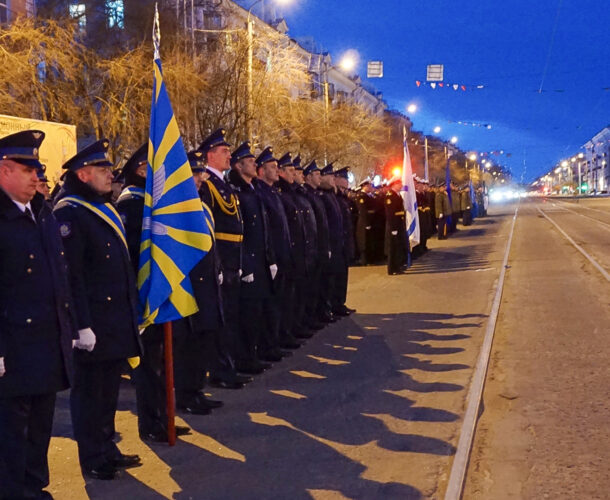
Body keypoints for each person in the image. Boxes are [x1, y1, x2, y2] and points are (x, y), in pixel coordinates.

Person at [54, 139, 142, 480]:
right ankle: (92, 455)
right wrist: (81, 325)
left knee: (108, 392)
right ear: (83, 173)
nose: (110, 176)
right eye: (103, 170)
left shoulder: (101, 208)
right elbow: (71, 276)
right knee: (90, 393)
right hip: (93, 321)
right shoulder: (70, 213)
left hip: (114, 318)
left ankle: (107, 447)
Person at [0, 130, 78, 499]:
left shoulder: (42, 213)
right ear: (4, 170)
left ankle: (34, 487)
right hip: (12, 348)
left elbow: (59, 278)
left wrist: (72, 327)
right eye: (28, 168)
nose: (37, 176)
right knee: (11, 433)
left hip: (47, 343)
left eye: (38, 168)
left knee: (40, 426)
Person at [197, 129, 251, 389]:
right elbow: (209, 228)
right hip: (221, 260)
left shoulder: (224, 185)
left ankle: (228, 365)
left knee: (231, 316)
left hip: (233, 259)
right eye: (224, 151)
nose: (229, 155)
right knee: (222, 319)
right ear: (210, 155)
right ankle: (220, 369)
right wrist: (218, 263)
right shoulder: (207, 185)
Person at [228, 143, 276, 374]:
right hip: (249, 262)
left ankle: (254, 354)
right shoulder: (237, 191)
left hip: (260, 260)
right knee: (247, 314)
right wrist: (245, 265)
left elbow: (264, 229)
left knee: (257, 311)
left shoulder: (252, 190)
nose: (255, 164)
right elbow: (240, 233)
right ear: (239, 165)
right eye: (250, 161)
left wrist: (270, 258)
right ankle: (245, 358)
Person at [255, 148, 303, 351]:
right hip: (271, 257)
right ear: (261, 171)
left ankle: (281, 337)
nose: (276, 171)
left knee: (284, 301)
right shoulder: (261, 193)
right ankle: (271, 343)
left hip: (284, 254)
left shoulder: (274, 193)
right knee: (272, 305)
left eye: (276, 167)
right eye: (272, 168)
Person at [302, 160, 333, 324]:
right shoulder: (307, 196)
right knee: (311, 287)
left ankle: (320, 313)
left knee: (319, 285)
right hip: (310, 249)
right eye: (316, 174)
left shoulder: (316, 196)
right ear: (308, 178)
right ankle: (312, 317)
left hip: (318, 247)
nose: (319, 177)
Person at [333, 166, 356, 315]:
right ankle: (335, 305)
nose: (347, 182)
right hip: (337, 244)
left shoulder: (342, 197)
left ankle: (340, 303)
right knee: (336, 277)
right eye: (344, 178)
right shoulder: (334, 197)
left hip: (344, 242)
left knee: (343, 276)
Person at [384, 177, 409, 275]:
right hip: (393, 225)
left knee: (398, 246)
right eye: (400, 184)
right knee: (392, 248)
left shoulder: (397, 195)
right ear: (394, 184)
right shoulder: (390, 196)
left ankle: (397, 267)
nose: (401, 185)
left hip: (399, 224)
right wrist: (393, 228)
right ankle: (391, 269)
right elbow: (390, 214)